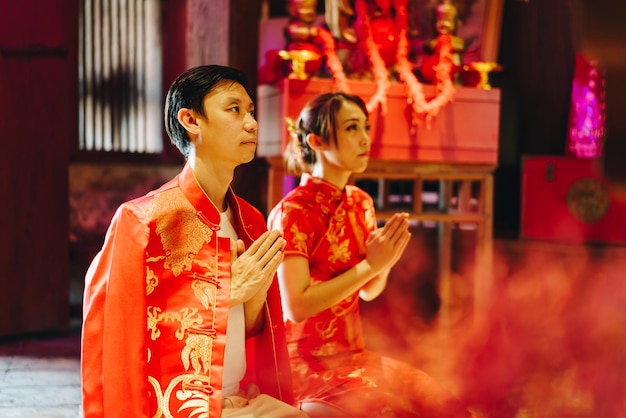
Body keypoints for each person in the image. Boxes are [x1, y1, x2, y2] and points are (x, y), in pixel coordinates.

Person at [81, 64, 308, 418]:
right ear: (191, 120)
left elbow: (248, 331)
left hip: (236, 396)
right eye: (234, 109)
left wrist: (251, 297)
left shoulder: (250, 220)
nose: (251, 123)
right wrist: (230, 290)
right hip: (177, 404)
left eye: (251, 111)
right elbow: (115, 335)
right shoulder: (143, 221)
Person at [267, 92, 472, 417]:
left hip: (354, 355)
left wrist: (384, 264)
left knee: (447, 407)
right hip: (306, 365)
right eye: (351, 128)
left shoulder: (360, 202)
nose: (364, 138)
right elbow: (296, 306)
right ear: (317, 141)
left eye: (365, 127)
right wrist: (371, 264)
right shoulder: (293, 211)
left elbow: (369, 290)